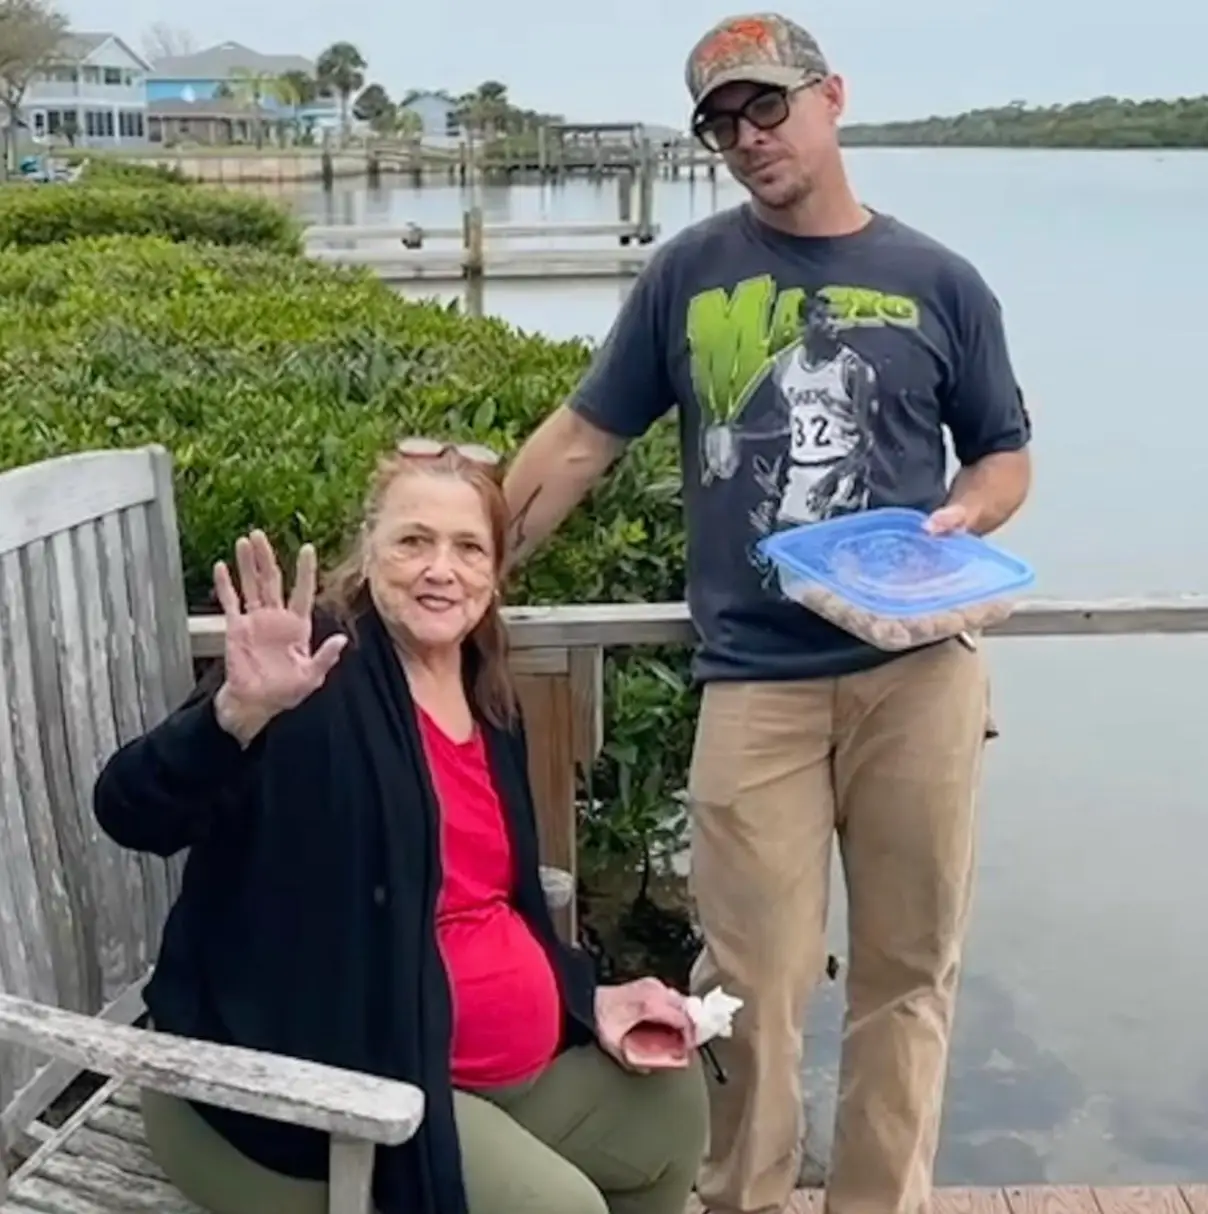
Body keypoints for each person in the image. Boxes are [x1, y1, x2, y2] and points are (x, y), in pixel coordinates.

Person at [500, 13, 1033, 1214]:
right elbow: (584, 437)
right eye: (720, 124)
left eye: (766, 108)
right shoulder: (686, 273)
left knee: (908, 969)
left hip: (920, 669)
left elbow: (1002, 456)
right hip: (753, 678)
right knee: (746, 974)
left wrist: (962, 519)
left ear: (830, 97)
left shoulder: (941, 280)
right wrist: (472, 566)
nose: (746, 139)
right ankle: (738, 1196)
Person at [93, 439, 708, 1214]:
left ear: (495, 572)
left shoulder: (484, 688)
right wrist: (234, 715)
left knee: (671, 1109)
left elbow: (502, 899)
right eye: (413, 541)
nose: (440, 569)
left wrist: (588, 997)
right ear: (370, 550)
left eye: (467, 548)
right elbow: (130, 812)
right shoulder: (312, 676)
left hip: (473, 1072)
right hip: (322, 1095)